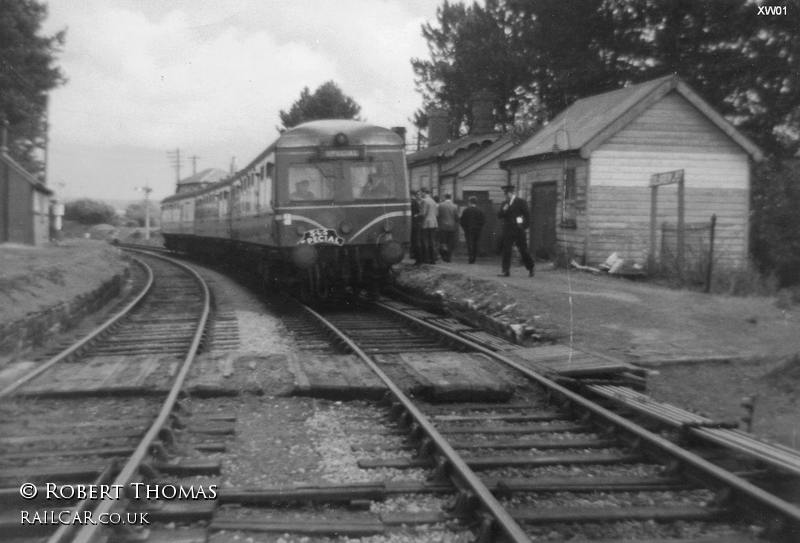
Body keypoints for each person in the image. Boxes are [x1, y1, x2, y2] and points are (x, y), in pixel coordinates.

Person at [497, 184, 534, 277]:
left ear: (510, 193)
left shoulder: (521, 202)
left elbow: (527, 216)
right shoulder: (504, 203)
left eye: (506, 194)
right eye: (505, 194)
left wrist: (523, 227)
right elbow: (499, 216)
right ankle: (505, 271)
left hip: (518, 230)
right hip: (508, 230)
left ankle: (531, 268)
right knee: (506, 250)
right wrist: (504, 210)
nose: (505, 196)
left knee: (523, 250)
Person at [459, 196, 485, 264]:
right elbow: (483, 221)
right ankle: (474, 258)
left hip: (468, 230)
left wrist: (465, 228)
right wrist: (479, 228)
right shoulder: (480, 211)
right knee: (475, 244)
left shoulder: (466, 210)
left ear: (470, 202)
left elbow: (462, 221)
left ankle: (470, 258)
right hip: (477, 231)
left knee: (469, 244)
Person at [417, 187, 438, 264]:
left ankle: (426, 259)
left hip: (426, 223)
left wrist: (417, 215)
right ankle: (433, 259)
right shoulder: (433, 201)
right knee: (432, 241)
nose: (421, 194)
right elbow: (436, 213)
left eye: (421, 193)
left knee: (425, 241)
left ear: (424, 192)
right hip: (434, 223)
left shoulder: (424, 201)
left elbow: (423, 213)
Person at [436, 193, 458, 262]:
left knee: (443, 242)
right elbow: (456, 217)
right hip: (452, 227)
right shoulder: (455, 206)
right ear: (450, 197)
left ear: (445, 197)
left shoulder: (441, 205)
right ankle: (449, 257)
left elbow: (438, 215)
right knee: (450, 243)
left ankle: (444, 256)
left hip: (443, 226)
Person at [410, 190, 422, 263]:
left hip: (414, 224)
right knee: (415, 241)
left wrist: (415, 216)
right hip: (415, 223)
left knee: (416, 241)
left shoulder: (413, 202)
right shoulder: (415, 202)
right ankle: (418, 258)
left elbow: (418, 213)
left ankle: (418, 259)